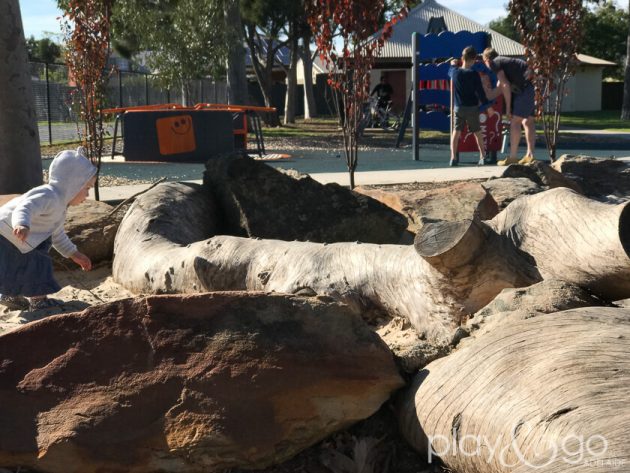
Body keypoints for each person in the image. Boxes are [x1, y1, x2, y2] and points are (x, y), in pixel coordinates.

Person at [0, 147, 96, 311]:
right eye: (87, 188)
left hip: (13, 234)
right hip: (9, 230)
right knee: (39, 261)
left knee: (20, 264)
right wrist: (22, 224)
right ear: (72, 184)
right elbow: (24, 207)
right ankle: (38, 300)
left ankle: (10, 295)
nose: (87, 195)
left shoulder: (60, 206)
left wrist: (75, 254)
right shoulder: (48, 195)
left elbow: (57, 236)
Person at [482, 47, 536, 165]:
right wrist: (484, 88)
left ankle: (512, 157)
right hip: (534, 86)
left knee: (515, 121)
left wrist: (507, 110)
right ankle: (530, 155)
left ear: (486, 59)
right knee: (528, 122)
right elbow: (495, 93)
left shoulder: (495, 62)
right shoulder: (505, 64)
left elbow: (505, 85)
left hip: (526, 88)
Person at [448, 46, 494, 167]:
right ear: (474, 59)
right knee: (477, 132)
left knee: (456, 132)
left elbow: (450, 69)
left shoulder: (455, 72)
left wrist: (453, 64)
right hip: (472, 107)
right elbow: (480, 92)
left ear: (462, 58)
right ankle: (483, 156)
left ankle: (453, 157)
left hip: (459, 107)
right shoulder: (474, 74)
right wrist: (487, 106)